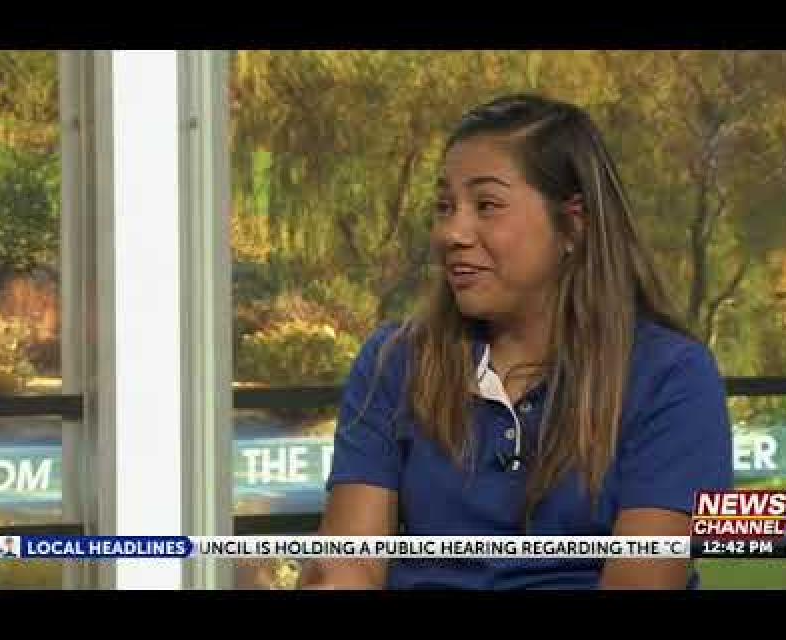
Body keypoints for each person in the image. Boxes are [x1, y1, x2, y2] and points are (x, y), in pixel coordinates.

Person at [300, 94, 733, 590]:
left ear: (573, 224)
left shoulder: (669, 376)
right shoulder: (394, 362)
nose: (453, 233)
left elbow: (642, 581)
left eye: (487, 206)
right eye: (445, 207)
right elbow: (350, 560)